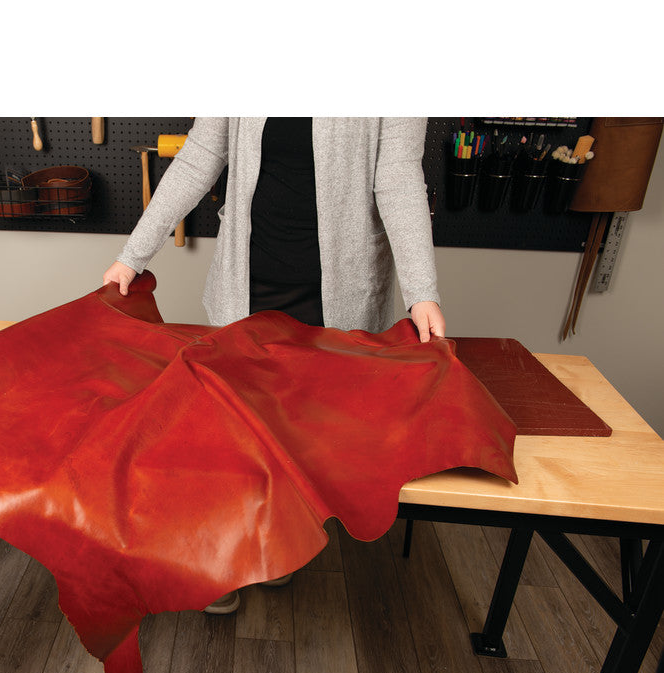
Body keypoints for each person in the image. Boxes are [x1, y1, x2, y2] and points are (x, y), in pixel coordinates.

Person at [103, 117, 445, 613]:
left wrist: (421, 291)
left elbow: (398, 178)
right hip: (249, 281)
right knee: (231, 432)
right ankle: (218, 559)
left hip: (337, 293)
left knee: (297, 434)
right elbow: (200, 156)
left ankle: (274, 545)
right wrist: (133, 255)